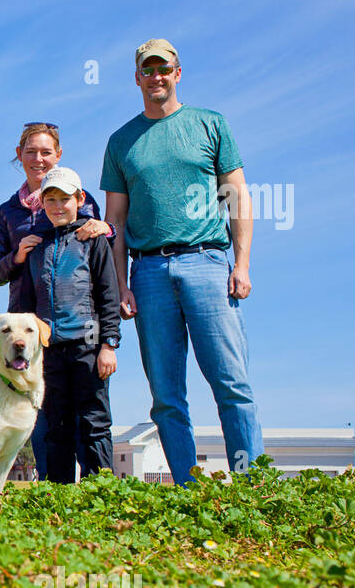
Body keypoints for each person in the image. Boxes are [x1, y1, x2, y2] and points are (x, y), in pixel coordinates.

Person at [100, 38, 263, 485]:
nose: (156, 77)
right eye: (148, 70)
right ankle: (191, 490)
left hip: (208, 263)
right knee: (167, 397)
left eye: (164, 69)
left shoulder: (211, 125)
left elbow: (237, 197)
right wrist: (121, 284)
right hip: (148, 272)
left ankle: (253, 486)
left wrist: (242, 263)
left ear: (177, 72)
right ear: (137, 78)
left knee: (231, 383)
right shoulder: (121, 142)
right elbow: (114, 219)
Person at [0, 122, 111, 479]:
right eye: (30, 151)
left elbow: (100, 255)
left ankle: (97, 490)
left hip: (76, 325)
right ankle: (52, 487)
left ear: (58, 155)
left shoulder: (81, 200)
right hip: (29, 329)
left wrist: (109, 228)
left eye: (46, 152)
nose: (38, 159)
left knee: (87, 410)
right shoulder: (8, 211)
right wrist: (17, 257)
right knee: (42, 414)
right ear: (19, 156)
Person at [18, 167, 121, 483]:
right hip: (49, 351)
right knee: (56, 423)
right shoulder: (36, 247)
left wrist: (108, 345)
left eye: (65, 199)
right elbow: (25, 304)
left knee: (93, 420)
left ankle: (102, 491)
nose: (58, 206)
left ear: (80, 199)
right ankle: (60, 493)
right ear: (42, 204)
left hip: (88, 346)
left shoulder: (92, 239)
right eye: (51, 199)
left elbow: (108, 294)